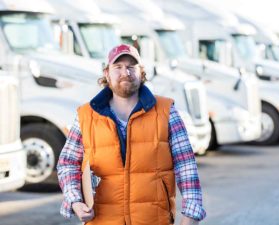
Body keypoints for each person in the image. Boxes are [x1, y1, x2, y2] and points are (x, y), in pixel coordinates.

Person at [57, 44, 206, 225]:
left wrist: (190, 216)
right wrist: (75, 201)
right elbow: (68, 163)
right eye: (118, 67)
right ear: (107, 73)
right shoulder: (86, 116)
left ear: (141, 71)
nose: (125, 72)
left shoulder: (166, 112)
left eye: (131, 66)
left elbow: (186, 165)